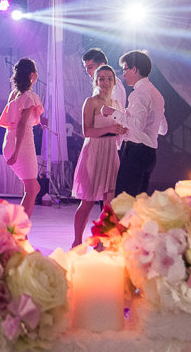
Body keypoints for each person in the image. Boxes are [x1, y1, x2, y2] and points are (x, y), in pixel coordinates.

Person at [72, 65, 128, 246]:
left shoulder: (117, 104)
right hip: (94, 152)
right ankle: (77, 242)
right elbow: (87, 131)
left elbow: (120, 129)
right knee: (88, 202)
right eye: (102, 78)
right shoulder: (91, 102)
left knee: (109, 204)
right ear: (96, 81)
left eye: (109, 78)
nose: (106, 82)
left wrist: (121, 130)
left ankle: (101, 243)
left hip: (111, 152)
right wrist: (111, 128)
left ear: (114, 81)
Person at [106, 50, 166, 198]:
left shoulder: (139, 93)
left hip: (136, 152)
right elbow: (163, 129)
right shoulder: (157, 94)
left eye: (125, 69)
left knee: (124, 200)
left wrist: (113, 112)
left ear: (134, 69)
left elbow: (138, 125)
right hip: (150, 153)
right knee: (139, 201)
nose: (124, 74)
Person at [0, 58, 47, 216]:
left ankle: (19, 226)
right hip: (22, 144)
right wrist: (16, 152)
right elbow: (21, 125)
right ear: (32, 75)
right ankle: (20, 228)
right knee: (32, 189)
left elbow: (14, 121)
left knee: (34, 188)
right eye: (36, 72)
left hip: (9, 141)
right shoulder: (30, 96)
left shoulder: (14, 94)